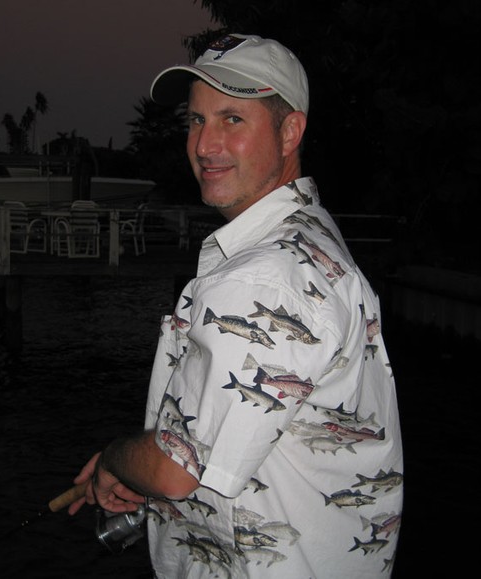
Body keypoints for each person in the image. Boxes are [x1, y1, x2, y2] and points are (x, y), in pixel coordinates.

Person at [69, 33, 403, 578]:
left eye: (232, 119)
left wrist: (114, 458)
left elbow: (175, 472)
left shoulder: (264, 277)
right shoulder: (310, 236)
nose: (205, 145)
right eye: (197, 120)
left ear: (290, 131)